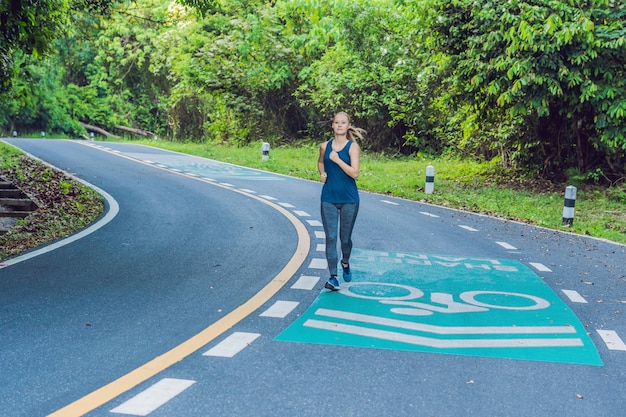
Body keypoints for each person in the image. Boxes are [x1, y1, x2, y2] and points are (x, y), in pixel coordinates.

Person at [318, 111, 364, 291]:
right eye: (336, 122)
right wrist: (322, 172)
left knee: (345, 239)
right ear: (332, 125)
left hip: (349, 199)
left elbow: (355, 173)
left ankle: (345, 261)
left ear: (348, 126)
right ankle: (333, 277)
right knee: (330, 237)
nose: (339, 125)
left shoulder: (352, 147)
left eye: (343, 123)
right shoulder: (324, 146)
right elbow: (321, 162)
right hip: (328, 197)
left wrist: (337, 160)